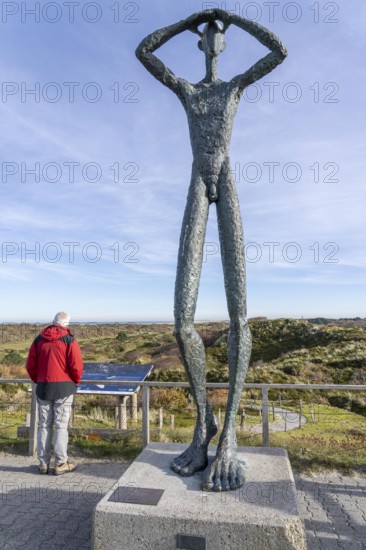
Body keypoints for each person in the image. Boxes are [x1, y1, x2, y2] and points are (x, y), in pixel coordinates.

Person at [136, 9, 287, 491]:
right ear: (201, 46)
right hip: (198, 183)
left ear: (223, 46)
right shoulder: (189, 90)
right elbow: (144, 51)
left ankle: (230, 441)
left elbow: (279, 51)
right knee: (182, 319)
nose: (212, 41)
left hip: (226, 178)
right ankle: (204, 426)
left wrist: (233, 20)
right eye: (207, 37)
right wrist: (187, 22)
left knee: (239, 312)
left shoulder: (235, 86)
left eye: (215, 37)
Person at [26, 312, 84, 475]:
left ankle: (43, 463)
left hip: (43, 387)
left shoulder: (38, 340)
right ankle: (60, 463)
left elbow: (30, 365)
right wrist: (75, 381)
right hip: (64, 388)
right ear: (66, 324)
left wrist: (38, 379)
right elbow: (76, 366)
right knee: (60, 426)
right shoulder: (69, 340)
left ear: (53, 322)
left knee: (44, 425)